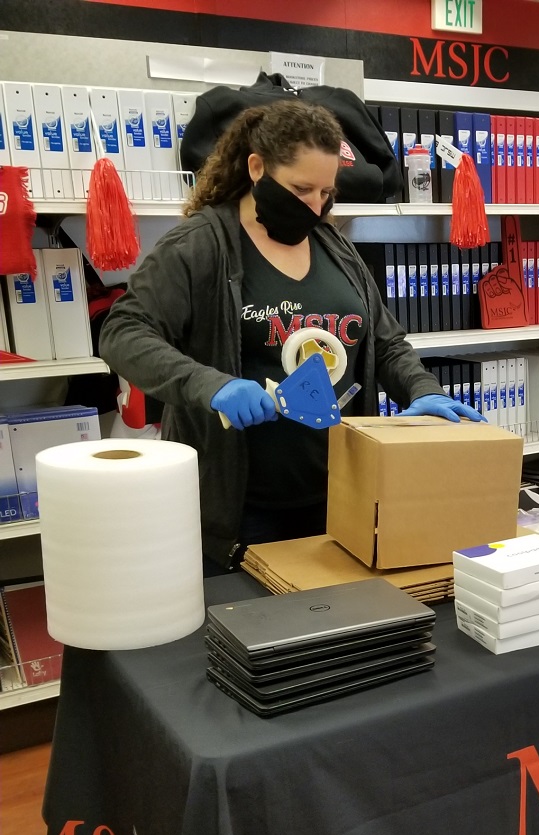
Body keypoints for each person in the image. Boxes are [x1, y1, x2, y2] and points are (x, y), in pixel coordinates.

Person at [100, 101, 482, 573]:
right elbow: (122, 331)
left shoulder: (334, 245)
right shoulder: (201, 246)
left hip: (339, 495)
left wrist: (422, 391)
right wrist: (211, 386)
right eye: (302, 189)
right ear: (257, 168)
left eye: (326, 191)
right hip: (242, 512)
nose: (317, 205)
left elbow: (384, 341)